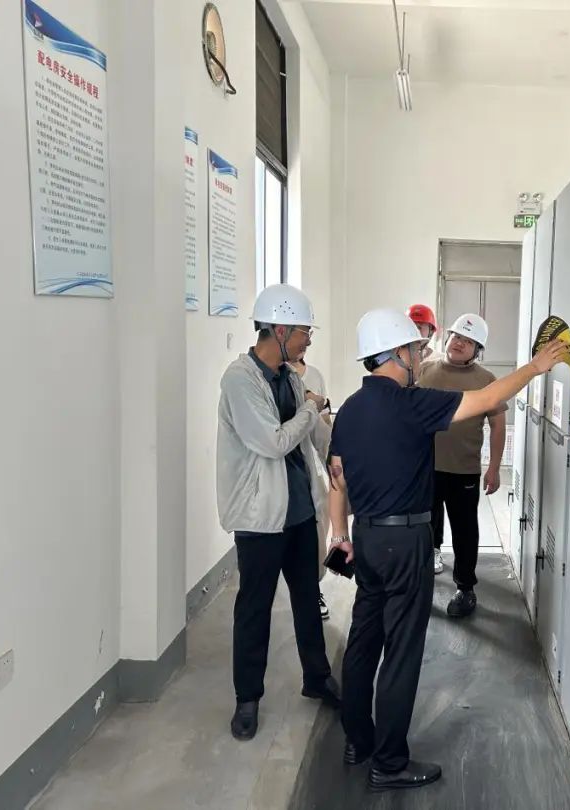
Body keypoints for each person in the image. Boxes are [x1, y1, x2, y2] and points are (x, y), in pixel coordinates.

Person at [326, 308, 567, 791]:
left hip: (366, 538)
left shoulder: (350, 408)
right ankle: (389, 762)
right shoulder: (412, 404)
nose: (421, 355)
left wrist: (340, 535)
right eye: (415, 349)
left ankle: (358, 740)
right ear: (397, 353)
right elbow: (488, 398)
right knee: (400, 654)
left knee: (364, 642)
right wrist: (536, 366)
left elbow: (337, 478)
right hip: (405, 542)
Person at [216, 283, 341, 741]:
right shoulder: (239, 380)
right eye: (305, 332)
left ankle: (317, 677)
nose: (309, 340)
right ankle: (247, 699)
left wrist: (335, 451)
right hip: (260, 517)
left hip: (299, 511)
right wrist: (310, 407)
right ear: (281, 330)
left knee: (308, 598)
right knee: (255, 609)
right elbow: (273, 442)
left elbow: (311, 437)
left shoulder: (289, 376)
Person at [418, 314, 505, 616]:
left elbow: (498, 426)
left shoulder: (486, 380)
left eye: (467, 341)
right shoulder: (424, 369)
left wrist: (494, 467)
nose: (459, 343)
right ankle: (420, 585)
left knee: (465, 531)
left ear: (477, 350)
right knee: (423, 529)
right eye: (456, 336)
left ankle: (465, 588)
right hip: (424, 468)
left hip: (464, 470)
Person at [290, 354, 333, 621]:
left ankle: (313, 589)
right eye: (303, 334)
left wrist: (333, 465)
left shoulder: (314, 375)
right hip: (282, 468)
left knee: (316, 532)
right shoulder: (267, 378)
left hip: (310, 469)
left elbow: (323, 427)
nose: (306, 341)